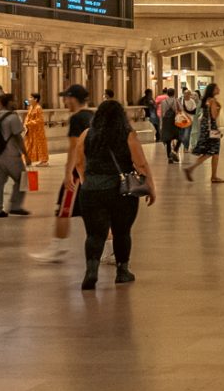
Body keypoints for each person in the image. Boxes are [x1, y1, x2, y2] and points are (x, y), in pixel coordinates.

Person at [69, 96, 155, 290]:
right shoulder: (127, 135)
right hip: (120, 191)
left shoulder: (86, 134)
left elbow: (79, 163)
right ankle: (122, 271)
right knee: (121, 232)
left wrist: (86, 181)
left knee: (94, 234)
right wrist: (151, 187)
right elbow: (141, 164)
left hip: (91, 191)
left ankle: (91, 271)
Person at [42, 84, 91, 262]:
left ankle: (58, 247)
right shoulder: (92, 116)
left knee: (64, 209)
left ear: (73, 99)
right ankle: (110, 250)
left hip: (78, 172)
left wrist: (68, 172)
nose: (64, 102)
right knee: (93, 212)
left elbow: (74, 147)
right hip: (92, 170)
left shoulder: (77, 118)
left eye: (66, 98)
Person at [0, 91, 28, 217]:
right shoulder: (12, 117)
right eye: (14, 100)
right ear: (8, 103)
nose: (16, 102)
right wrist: (26, 154)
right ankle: (16, 206)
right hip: (10, 155)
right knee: (23, 179)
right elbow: (18, 137)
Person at [186, 83, 223, 183]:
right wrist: (219, 109)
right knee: (214, 151)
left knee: (214, 152)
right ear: (213, 90)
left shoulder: (206, 100)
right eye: (217, 88)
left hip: (205, 127)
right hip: (212, 128)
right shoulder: (212, 100)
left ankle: (213, 175)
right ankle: (192, 169)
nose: (219, 89)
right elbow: (214, 116)